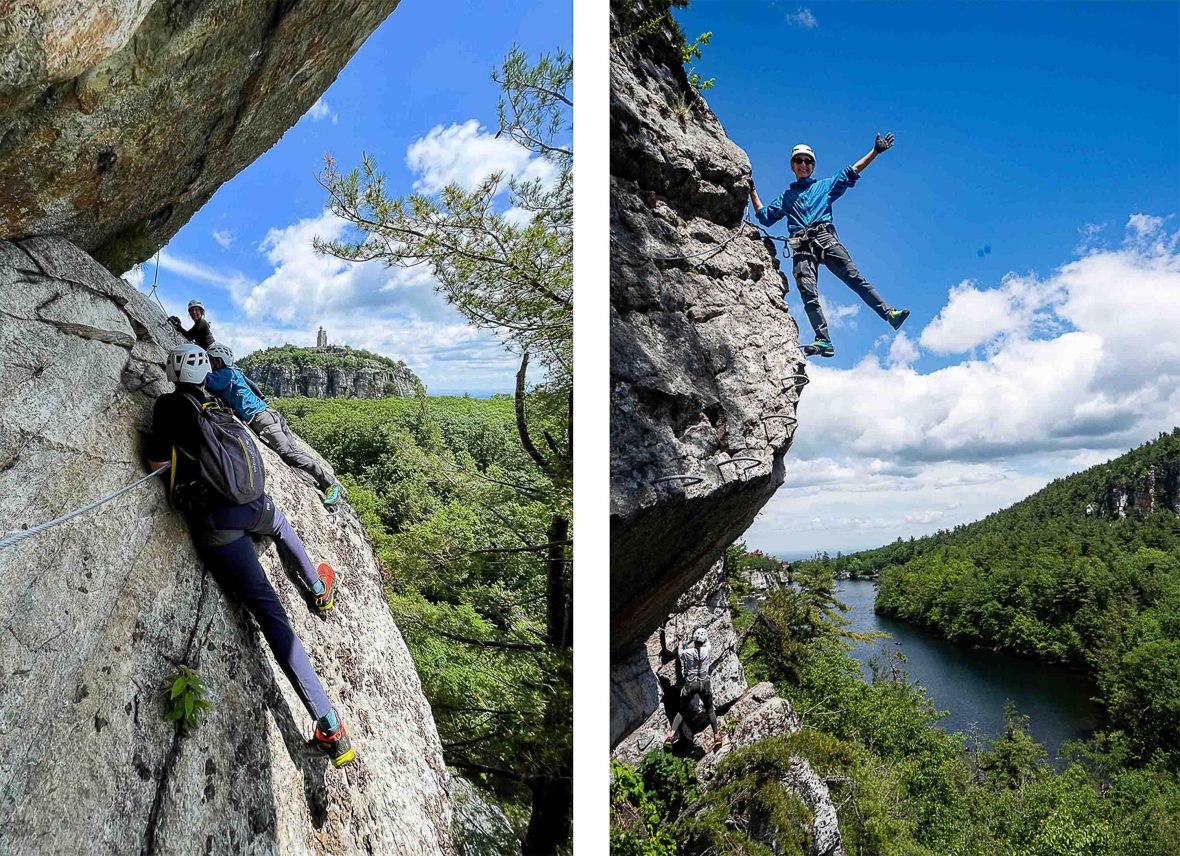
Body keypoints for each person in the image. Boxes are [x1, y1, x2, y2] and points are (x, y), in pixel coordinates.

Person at [146, 343, 353, 766]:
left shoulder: (169, 407)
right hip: (255, 505)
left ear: (173, 372)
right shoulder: (217, 401)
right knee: (281, 525)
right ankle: (317, 587)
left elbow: (155, 464)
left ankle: (332, 724)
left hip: (217, 525)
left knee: (270, 613)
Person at [749, 134, 911, 358]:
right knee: (808, 293)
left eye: (808, 161)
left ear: (813, 166)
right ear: (793, 166)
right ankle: (823, 340)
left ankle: (889, 314)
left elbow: (852, 171)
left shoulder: (825, 187)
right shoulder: (787, 197)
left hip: (825, 238)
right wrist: (752, 191)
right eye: (799, 161)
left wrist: (875, 152)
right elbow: (765, 217)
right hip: (802, 247)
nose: (803, 164)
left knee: (854, 278)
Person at [204, 343, 343, 507]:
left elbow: (207, 381)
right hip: (270, 414)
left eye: (211, 361)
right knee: (295, 451)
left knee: (288, 453)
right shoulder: (235, 372)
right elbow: (252, 385)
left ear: (219, 361)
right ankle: (322, 479)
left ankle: (330, 484)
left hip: (263, 419)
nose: (209, 364)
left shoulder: (225, 373)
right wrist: (263, 399)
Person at [665, 627, 722, 750]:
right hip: (704, 684)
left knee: (681, 711)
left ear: (694, 639)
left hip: (691, 685)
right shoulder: (707, 650)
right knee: (710, 710)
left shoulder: (687, 653)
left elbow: (680, 653)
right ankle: (716, 736)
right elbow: (707, 642)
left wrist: (681, 642)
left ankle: (670, 736)